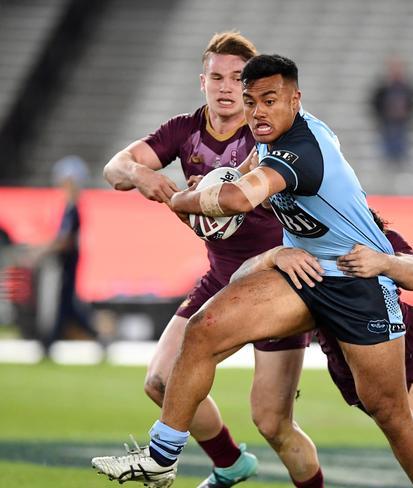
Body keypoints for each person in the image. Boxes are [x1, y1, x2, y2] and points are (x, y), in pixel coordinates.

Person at [93, 54, 413, 487]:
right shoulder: (260, 137)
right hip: (300, 274)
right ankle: (162, 455)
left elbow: (240, 198)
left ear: (295, 100)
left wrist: (181, 199)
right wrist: (198, 189)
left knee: (390, 411)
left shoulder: (300, 149)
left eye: (269, 100)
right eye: (251, 101)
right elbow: (233, 179)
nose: (257, 111)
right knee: (203, 329)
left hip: (357, 282)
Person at [101, 35, 322, 488]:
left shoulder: (269, 131)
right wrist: (141, 172)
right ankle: (229, 463)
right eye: (216, 77)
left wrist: (205, 194)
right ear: (202, 82)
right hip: (221, 278)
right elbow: (114, 167)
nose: (225, 87)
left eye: (237, 79)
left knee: (273, 424)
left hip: (274, 284)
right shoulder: (184, 130)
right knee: (160, 382)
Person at [231, 210, 413, 468]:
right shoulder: (298, 246)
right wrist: (272, 256)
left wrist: (383, 263)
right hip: (358, 360)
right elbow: (239, 281)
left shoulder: (371, 233)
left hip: (407, 330)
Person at [36, 155, 98, 351]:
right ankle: (50, 342)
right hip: (66, 261)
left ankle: (50, 342)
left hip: (68, 262)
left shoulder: (73, 209)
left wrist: (42, 251)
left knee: (66, 302)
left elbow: (65, 240)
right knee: (66, 303)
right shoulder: (69, 208)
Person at [370, 56, 413, 165]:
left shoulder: (407, 88)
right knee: (385, 155)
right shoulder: (383, 88)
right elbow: (375, 104)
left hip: (402, 125)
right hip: (387, 126)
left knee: (402, 154)